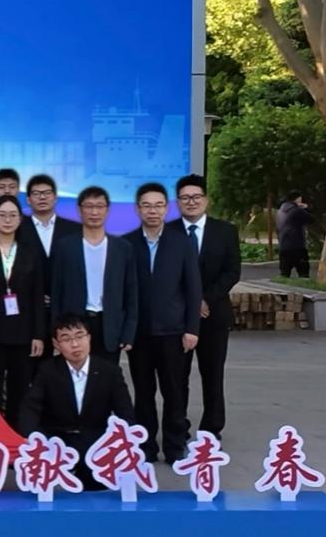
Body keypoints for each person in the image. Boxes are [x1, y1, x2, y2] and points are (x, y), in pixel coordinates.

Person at [125, 183, 202, 462]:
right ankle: (145, 447)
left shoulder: (181, 242)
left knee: (174, 392)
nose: (153, 211)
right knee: (144, 394)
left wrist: (192, 328)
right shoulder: (126, 244)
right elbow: (122, 290)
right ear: (138, 209)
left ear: (166, 209)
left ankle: (174, 446)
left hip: (174, 332)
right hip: (140, 333)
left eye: (158, 205)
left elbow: (193, 289)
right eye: (147, 205)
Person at [19, 314, 135, 490]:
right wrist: (39, 441)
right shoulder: (47, 370)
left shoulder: (109, 371)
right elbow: (29, 410)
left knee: (98, 488)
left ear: (89, 338)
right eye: (66, 339)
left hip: (97, 444)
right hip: (57, 442)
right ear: (56, 344)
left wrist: (117, 446)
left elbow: (125, 414)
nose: (75, 344)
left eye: (79, 336)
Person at [169, 174, 241, 440]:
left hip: (214, 315)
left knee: (213, 374)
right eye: (185, 198)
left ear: (206, 200)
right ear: (178, 202)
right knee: (177, 377)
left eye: (196, 197)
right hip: (177, 317)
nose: (191, 202)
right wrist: (189, 303)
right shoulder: (168, 232)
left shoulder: (225, 231)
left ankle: (212, 429)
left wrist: (205, 299)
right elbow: (165, 275)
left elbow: (232, 272)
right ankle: (178, 426)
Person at [0, 195, 45, 429]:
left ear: (20, 219)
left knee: (20, 387)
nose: (7, 220)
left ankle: (17, 433)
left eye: (13, 215)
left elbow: (38, 296)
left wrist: (38, 334)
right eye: (2, 215)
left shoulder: (31, 252)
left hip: (23, 332)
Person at [50, 187, 138, 364]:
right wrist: (56, 330)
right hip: (75, 325)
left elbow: (131, 293)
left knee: (107, 376)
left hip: (109, 325)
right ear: (79, 210)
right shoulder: (65, 246)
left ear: (108, 210)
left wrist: (128, 333)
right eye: (89, 206)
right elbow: (56, 292)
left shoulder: (122, 248)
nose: (94, 212)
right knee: (76, 376)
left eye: (99, 206)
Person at [276, 190, 313, 278]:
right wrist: (305, 208)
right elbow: (311, 219)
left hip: (283, 246)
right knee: (303, 272)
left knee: (284, 273)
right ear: (298, 199)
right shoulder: (297, 210)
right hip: (297, 245)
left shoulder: (280, 211)